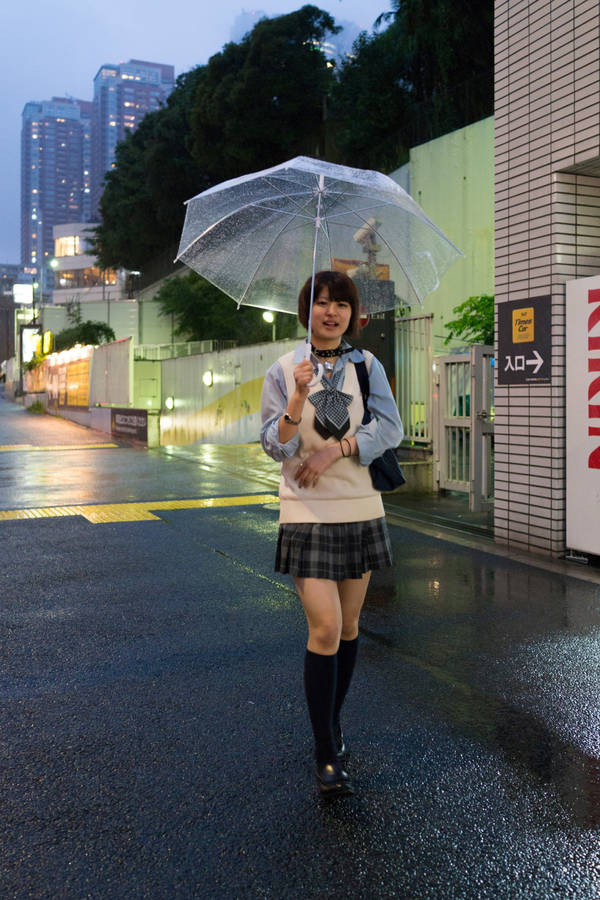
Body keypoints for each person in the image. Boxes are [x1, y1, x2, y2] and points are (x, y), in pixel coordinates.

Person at [260, 270, 403, 797]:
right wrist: (297, 400)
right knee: (324, 626)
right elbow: (273, 447)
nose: (331, 312)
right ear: (307, 310)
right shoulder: (282, 370)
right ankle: (324, 748)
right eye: (322, 302)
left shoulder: (367, 366)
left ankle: (333, 723)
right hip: (306, 511)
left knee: (348, 628)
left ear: (351, 313)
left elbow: (390, 428)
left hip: (359, 506)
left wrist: (336, 449)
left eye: (341, 304)